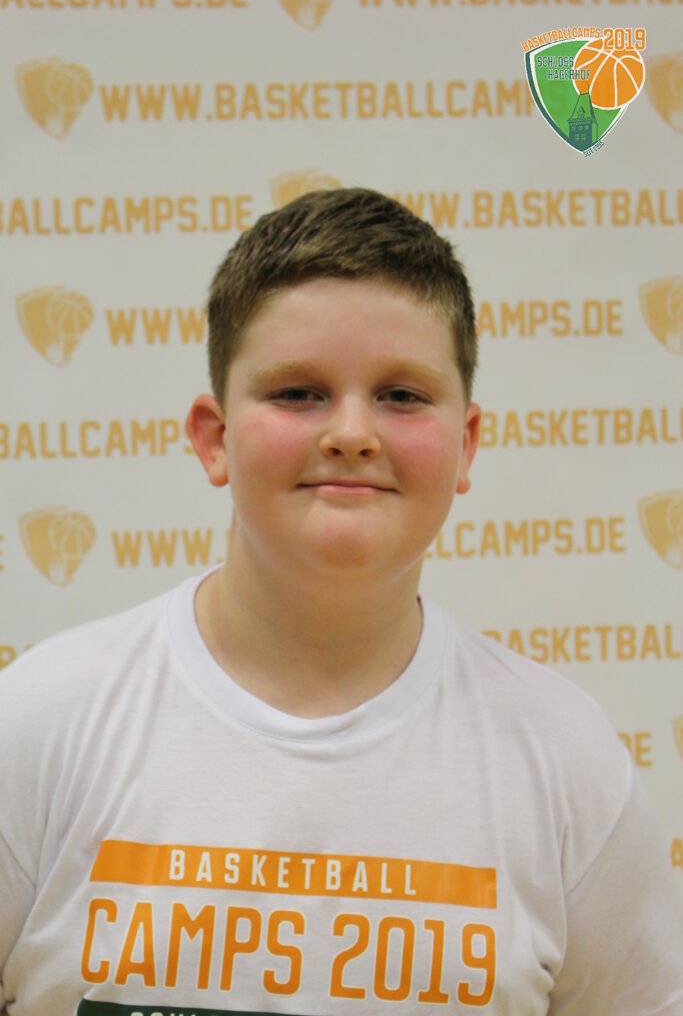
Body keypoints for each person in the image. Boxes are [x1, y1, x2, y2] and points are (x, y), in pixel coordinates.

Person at [0, 188, 681, 1016]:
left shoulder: (567, 765)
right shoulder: (36, 727)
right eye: (298, 393)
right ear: (214, 439)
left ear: (465, 445)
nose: (352, 433)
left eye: (402, 395)